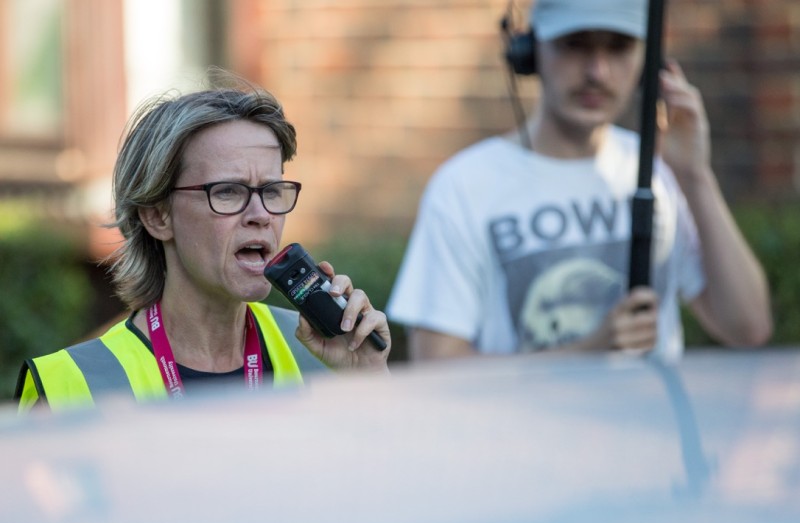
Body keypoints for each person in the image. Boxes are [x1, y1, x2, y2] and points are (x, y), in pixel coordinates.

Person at [387, 0, 772, 362]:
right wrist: (585, 352)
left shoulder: (659, 172)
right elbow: (434, 367)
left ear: (649, 61)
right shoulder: (464, 186)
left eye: (619, 47)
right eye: (575, 45)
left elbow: (748, 327)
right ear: (529, 50)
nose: (597, 72)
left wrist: (695, 175)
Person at [15, 75, 391, 412]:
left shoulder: (322, 349)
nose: (260, 213)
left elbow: (391, 483)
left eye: (272, 190)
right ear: (157, 216)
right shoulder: (69, 386)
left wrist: (370, 380)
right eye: (228, 192)